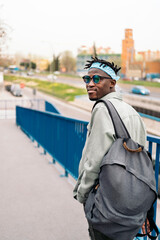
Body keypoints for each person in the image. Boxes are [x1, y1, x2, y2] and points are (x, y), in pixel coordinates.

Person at [73, 57, 148, 240]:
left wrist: (82, 194)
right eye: (87, 79)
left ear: (112, 83)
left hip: (106, 200)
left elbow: (94, 160)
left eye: (97, 79)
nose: (90, 84)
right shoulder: (131, 111)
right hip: (131, 199)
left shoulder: (102, 108)